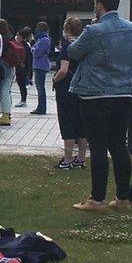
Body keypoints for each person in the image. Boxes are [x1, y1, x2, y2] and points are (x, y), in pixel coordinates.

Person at [68, 0, 132, 213]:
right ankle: (123, 197)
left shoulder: (94, 31)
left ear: (99, 5)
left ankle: (97, 198)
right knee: (119, 144)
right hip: (123, 92)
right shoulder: (131, 29)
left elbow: (73, 52)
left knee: (98, 146)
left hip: (96, 94)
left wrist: (71, 38)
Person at [53, 17, 87, 170]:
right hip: (81, 88)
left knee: (67, 123)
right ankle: (80, 158)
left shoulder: (67, 47)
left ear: (67, 30)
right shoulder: (83, 46)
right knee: (81, 124)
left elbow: (63, 70)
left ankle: (66, 160)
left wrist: (54, 79)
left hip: (66, 89)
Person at [0, 20, 17, 125]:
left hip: (3, 65)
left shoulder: (0, 39)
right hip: (10, 67)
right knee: (6, 90)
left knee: (2, 91)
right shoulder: (10, 38)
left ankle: (4, 115)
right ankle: (6, 114)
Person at [30, 21, 51, 116]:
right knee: (39, 87)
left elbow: (36, 52)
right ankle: (40, 106)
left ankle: (41, 107)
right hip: (39, 64)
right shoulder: (41, 39)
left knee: (40, 87)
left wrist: (33, 49)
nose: (36, 30)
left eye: (38, 28)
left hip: (41, 66)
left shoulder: (44, 40)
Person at [14, 27, 33, 108]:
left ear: (21, 36)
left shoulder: (22, 46)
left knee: (22, 84)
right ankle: (23, 100)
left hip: (22, 67)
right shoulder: (25, 45)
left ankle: (23, 100)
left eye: (18, 36)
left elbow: (26, 58)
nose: (17, 37)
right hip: (23, 67)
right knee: (21, 83)